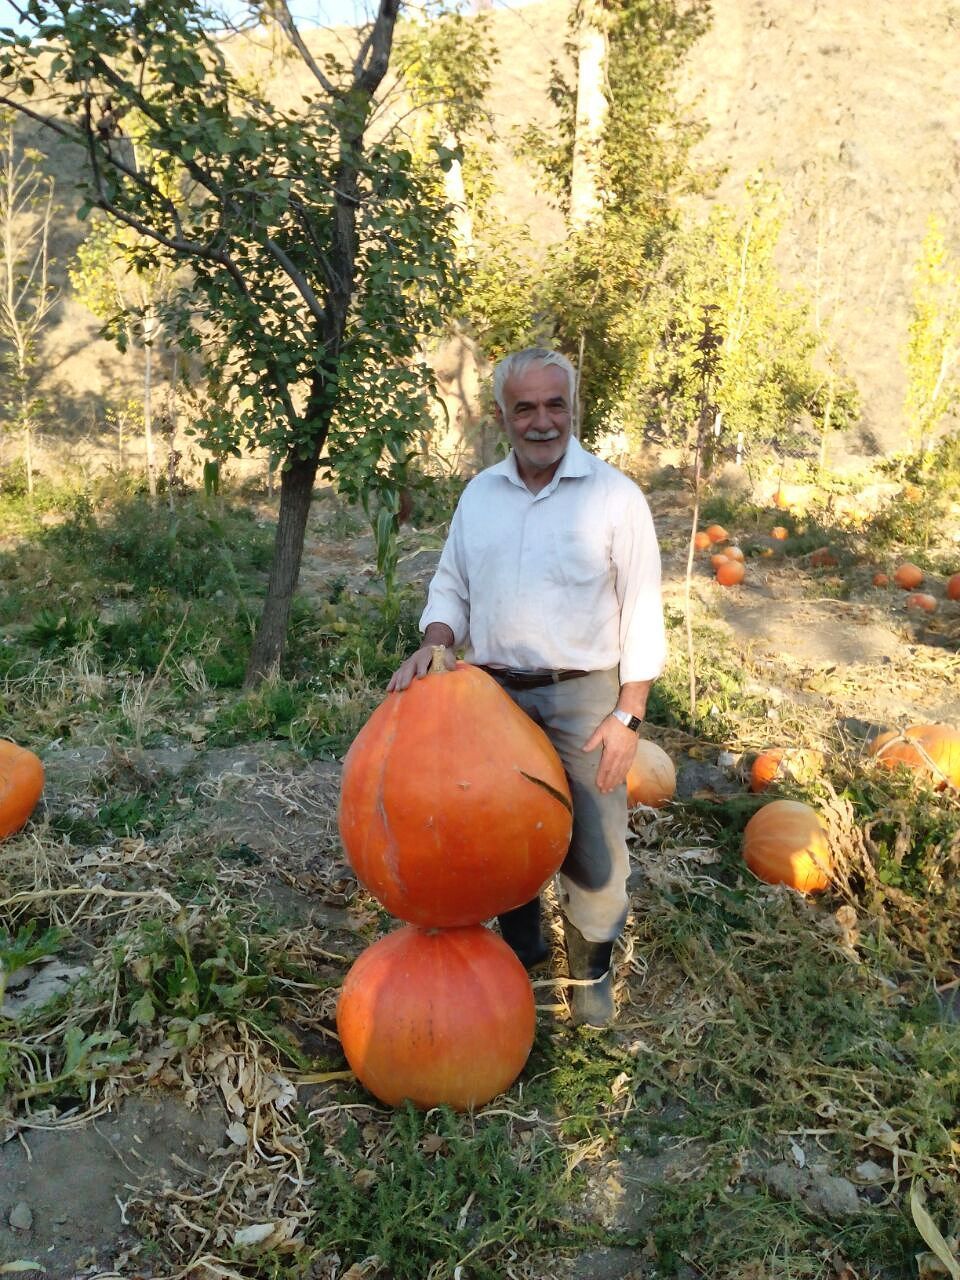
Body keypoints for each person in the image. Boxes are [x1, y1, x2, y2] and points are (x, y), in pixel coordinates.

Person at [388, 347, 666, 1027]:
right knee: (493, 829)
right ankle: (522, 943)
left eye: (555, 405)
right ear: (502, 416)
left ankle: (590, 972)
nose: (542, 421)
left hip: (583, 694)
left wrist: (629, 716)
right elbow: (450, 584)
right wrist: (434, 645)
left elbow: (642, 611)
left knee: (595, 848)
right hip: (490, 695)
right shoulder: (481, 495)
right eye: (526, 408)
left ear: (573, 408)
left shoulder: (614, 499)